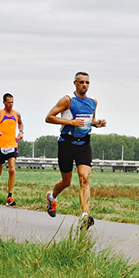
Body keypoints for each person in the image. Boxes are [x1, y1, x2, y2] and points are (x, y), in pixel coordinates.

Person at [44, 71, 106, 228]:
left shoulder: (93, 101)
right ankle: (52, 197)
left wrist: (96, 123)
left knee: (84, 178)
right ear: (75, 83)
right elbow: (49, 117)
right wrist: (71, 122)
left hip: (84, 144)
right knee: (66, 182)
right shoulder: (68, 100)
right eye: (81, 82)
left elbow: (90, 120)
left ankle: (85, 215)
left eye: (87, 82)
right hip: (66, 143)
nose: (84, 85)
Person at [0, 94, 24, 206]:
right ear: (4, 102)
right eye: (8, 102)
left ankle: (10, 196)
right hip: (0, 146)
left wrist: (21, 132)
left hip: (12, 145)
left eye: (12, 102)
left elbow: (21, 123)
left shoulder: (16, 114)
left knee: (12, 170)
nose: (10, 105)